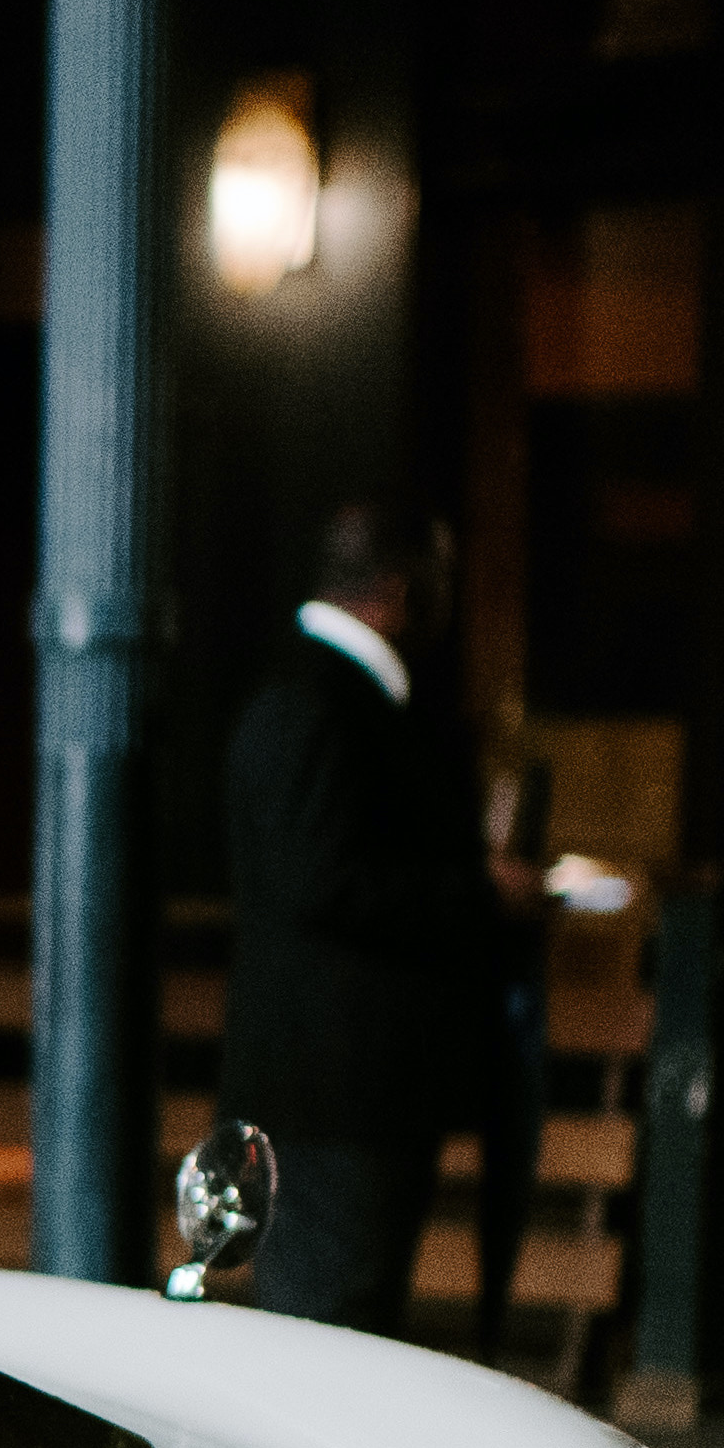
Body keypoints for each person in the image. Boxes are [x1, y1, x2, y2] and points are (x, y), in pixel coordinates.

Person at [216, 505, 516, 1333]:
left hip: (335, 1095)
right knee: (335, 1329)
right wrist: (481, 890)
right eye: (443, 580)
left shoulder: (306, 693)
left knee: (344, 1320)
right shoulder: (321, 702)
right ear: (398, 586)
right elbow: (320, 883)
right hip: (333, 1101)